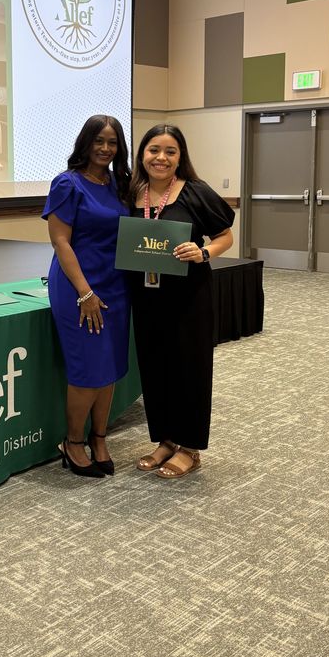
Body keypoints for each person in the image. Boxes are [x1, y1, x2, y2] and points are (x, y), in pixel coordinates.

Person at [130, 124, 234, 479]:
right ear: (142, 154)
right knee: (155, 368)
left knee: (189, 369)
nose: (161, 158)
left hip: (189, 297)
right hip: (146, 298)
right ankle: (165, 440)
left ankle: (189, 447)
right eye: (153, 150)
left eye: (170, 151)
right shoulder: (131, 192)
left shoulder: (196, 192)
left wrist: (203, 251)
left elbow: (225, 236)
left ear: (180, 157)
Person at [42, 115, 131, 478]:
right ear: (86, 142)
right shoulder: (67, 184)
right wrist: (85, 292)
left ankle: (99, 437)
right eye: (99, 141)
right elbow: (60, 240)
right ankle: (73, 442)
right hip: (79, 287)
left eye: (112, 142)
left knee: (108, 368)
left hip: (116, 286)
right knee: (87, 371)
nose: (105, 148)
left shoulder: (119, 183)